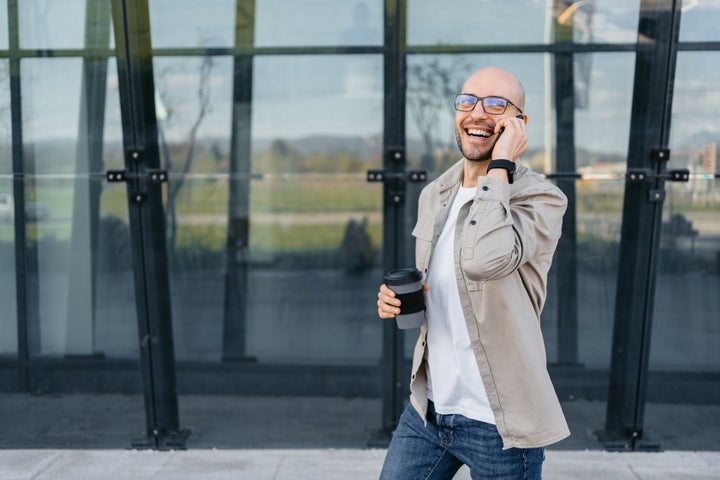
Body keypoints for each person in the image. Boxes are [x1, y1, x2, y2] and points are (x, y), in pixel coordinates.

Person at [376, 66, 570, 479]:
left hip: (500, 424)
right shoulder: (436, 194)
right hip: (431, 411)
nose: (478, 113)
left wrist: (500, 167)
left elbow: (485, 261)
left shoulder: (542, 199)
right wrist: (399, 300)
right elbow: (446, 285)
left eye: (497, 104)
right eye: (468, 101)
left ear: (520, 124)